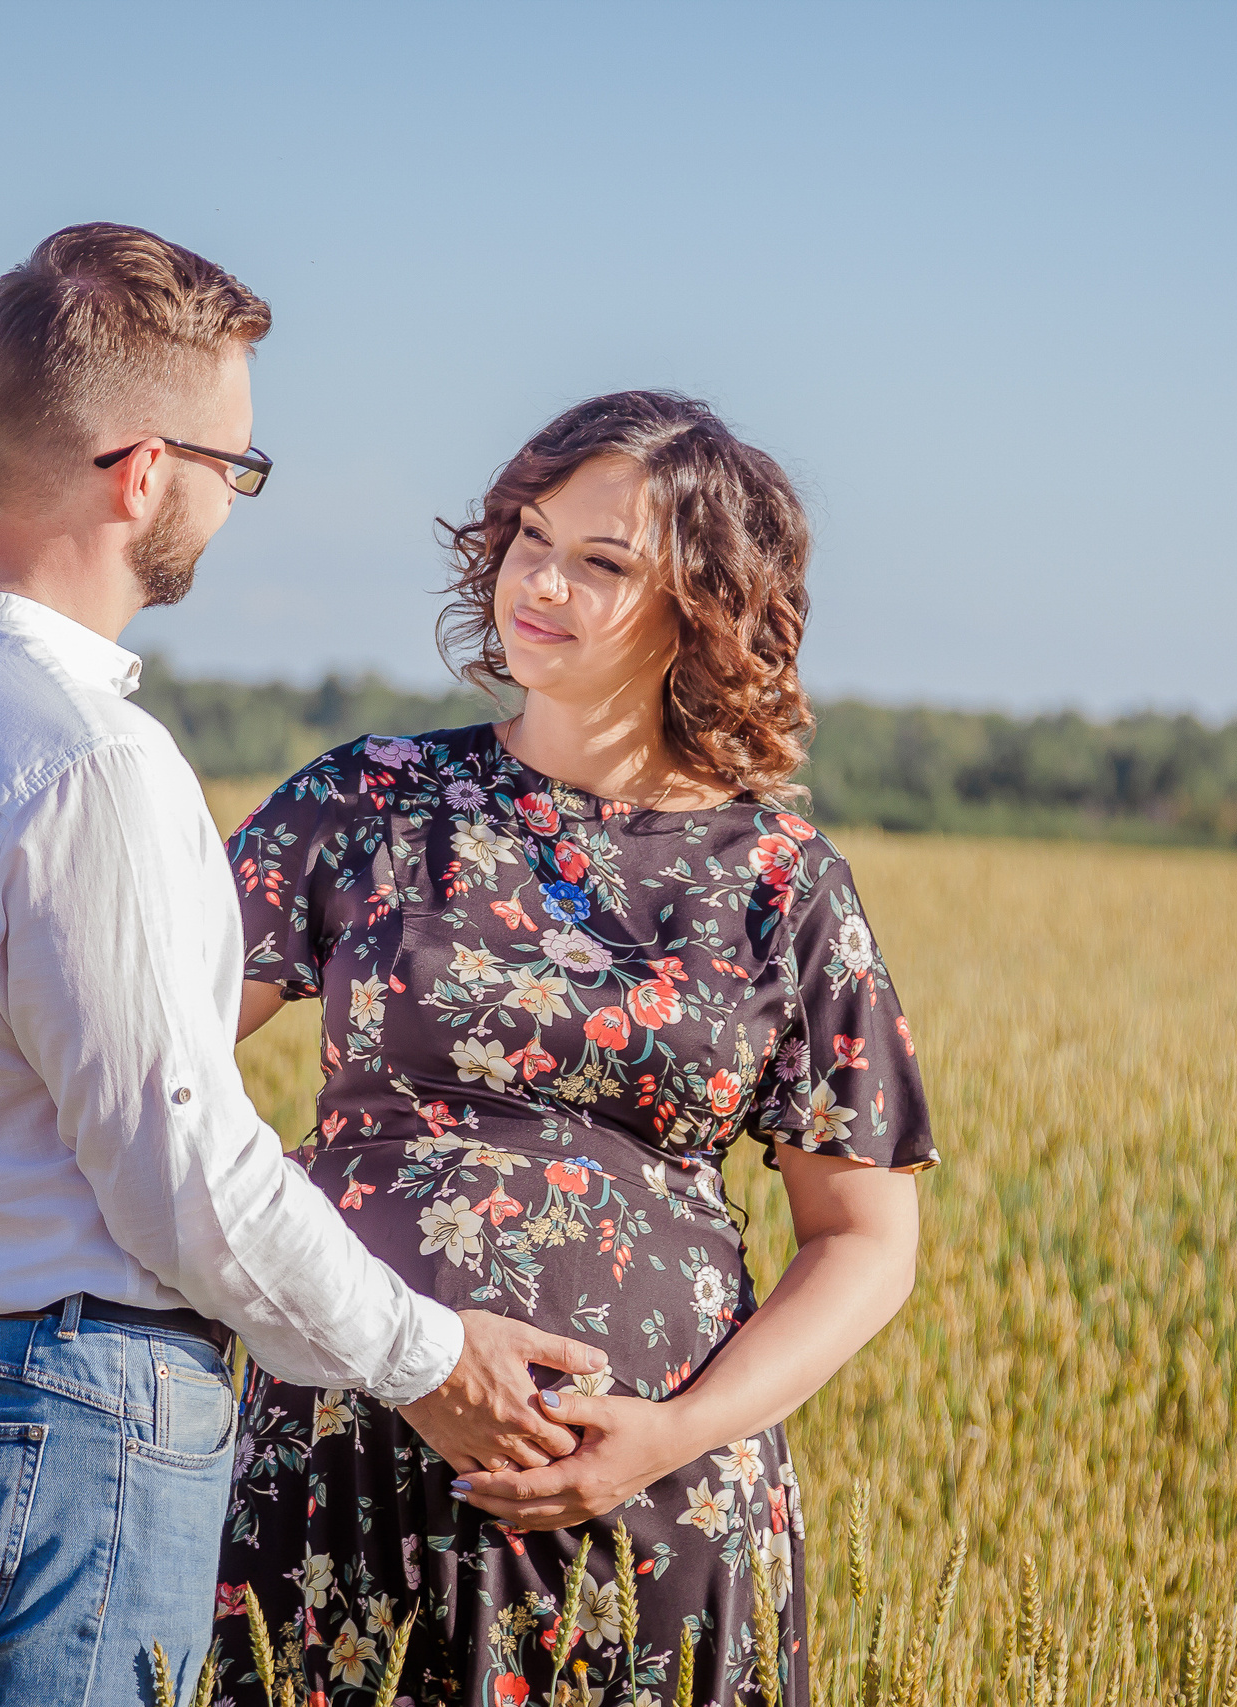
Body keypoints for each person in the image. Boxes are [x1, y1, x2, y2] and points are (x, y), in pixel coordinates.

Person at [0, 223, 604, 1706]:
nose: (229, 501)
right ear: (144, 472)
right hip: (70, 1424)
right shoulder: (89, 761)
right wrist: (428, 1359)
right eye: (233, 466)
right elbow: (186, 1176)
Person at [215, 392, 936, 1707]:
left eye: (601, 562)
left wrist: (669, 1434)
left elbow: (865, 1239)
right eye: (529, 538)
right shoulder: (368, 800)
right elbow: (148, 1055)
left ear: (703, 612)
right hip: (343, 1459)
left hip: (648, 1504)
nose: (538, 582)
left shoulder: (782, 883)